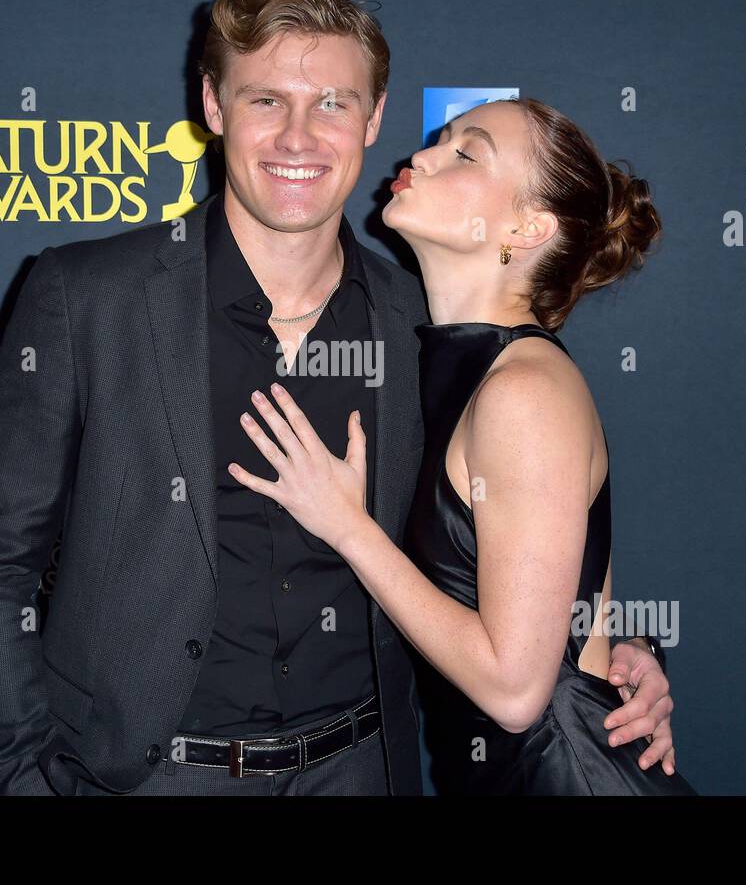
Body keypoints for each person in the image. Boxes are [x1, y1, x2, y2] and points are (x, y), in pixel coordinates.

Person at [0, 0, 677, 796]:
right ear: (214, 109)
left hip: (360, 771)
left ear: (373, 120)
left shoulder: (423, 333)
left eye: (331, 102)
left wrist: (611, 655)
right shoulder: (87, 298)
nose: (298, 137)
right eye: (265, 101)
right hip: (143, 780)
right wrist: (14, 782)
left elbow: (517, 545)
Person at [226, 96, 695, 793]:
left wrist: (348, 527)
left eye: (466, 153)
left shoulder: (524, 391)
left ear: (528, 226)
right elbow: (565, 599)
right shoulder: (464, 367)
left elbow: (514, 691)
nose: (421, 157)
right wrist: (631, 651)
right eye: (440, 140)